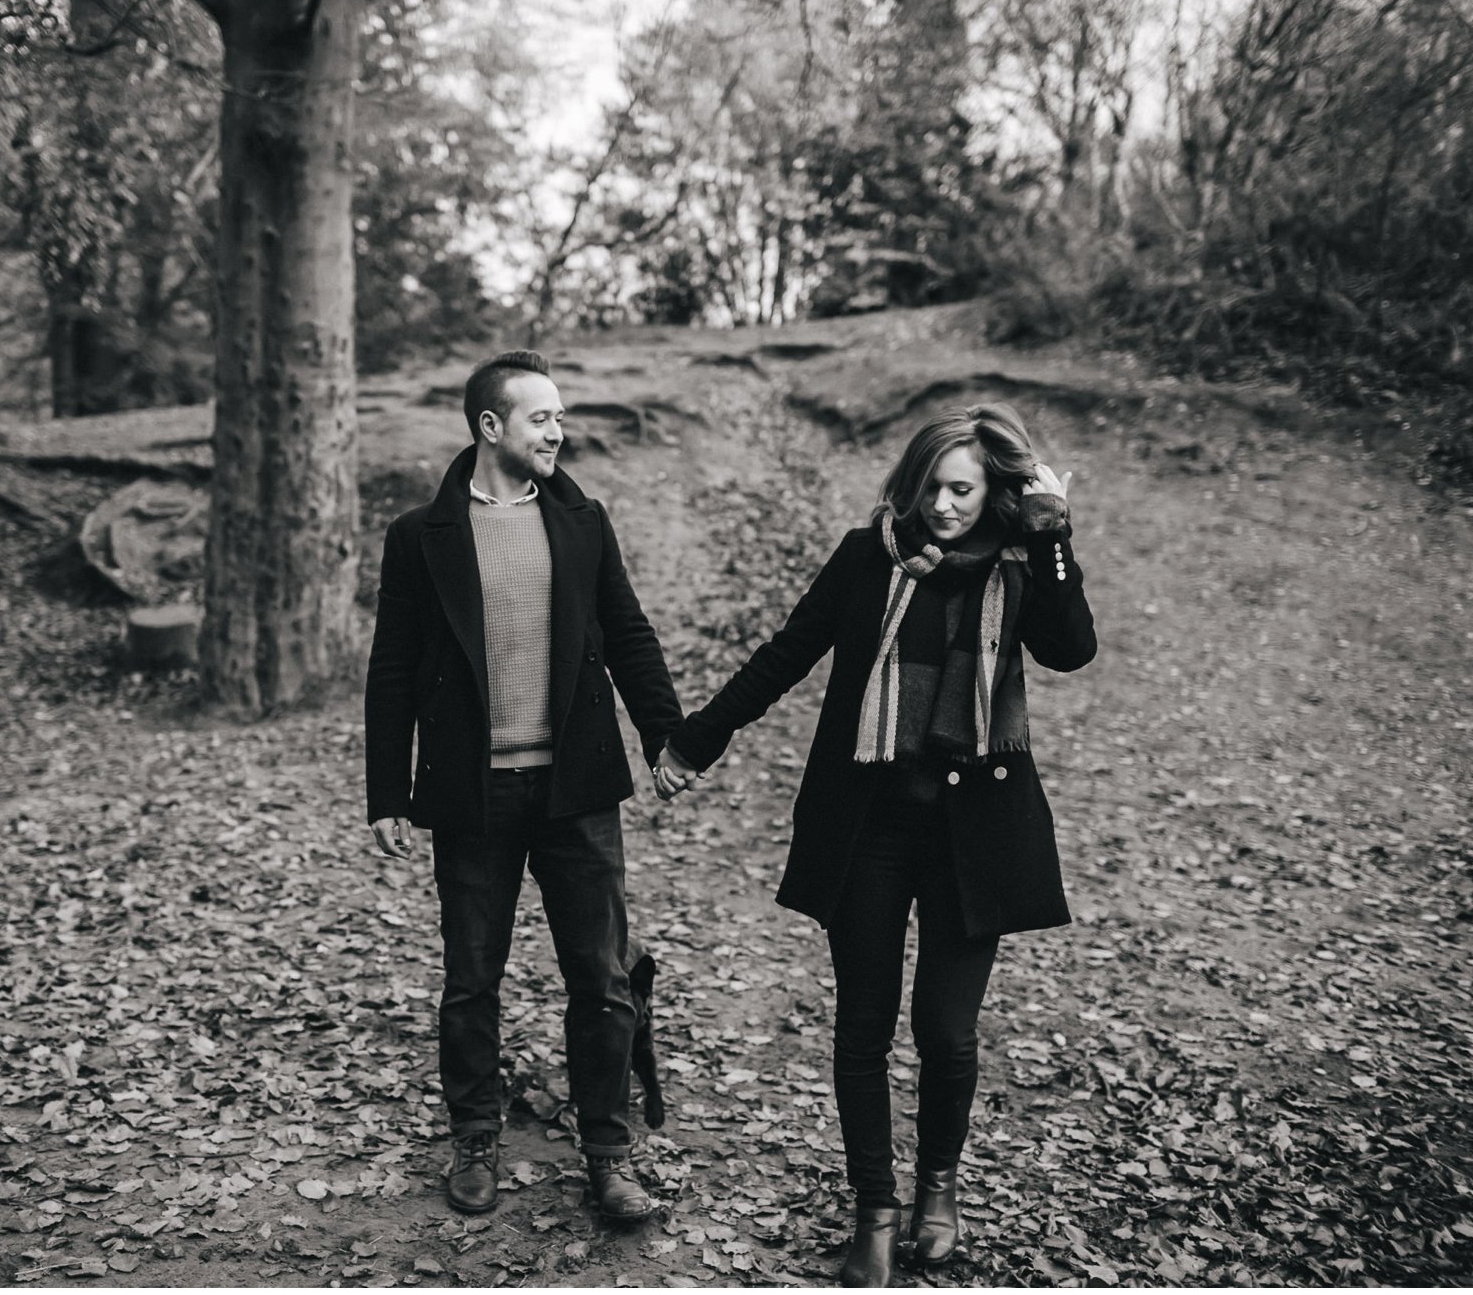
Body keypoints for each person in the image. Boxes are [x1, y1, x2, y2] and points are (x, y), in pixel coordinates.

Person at [655, 403, 1097, 1286]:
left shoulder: (1019, 564)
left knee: (946, 1031)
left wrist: (1054, 534)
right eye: (931, 486)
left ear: (993, 490)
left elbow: (1070, 649)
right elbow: (785, 654)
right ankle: (877, 1215)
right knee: (861, 1029)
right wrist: (698, 738)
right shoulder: (869, 558)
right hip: (869, 827)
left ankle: (938, 1190)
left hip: (975, 828)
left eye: (962, 489)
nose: (942, 505)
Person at [365, 350, 683, 1223]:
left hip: (575, 790)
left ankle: (609, 1156)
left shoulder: (581, 521)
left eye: (560, 416)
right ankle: (474, 1138)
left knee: (602, 979)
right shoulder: (420, 537)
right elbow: (391, 670)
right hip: (471, 795)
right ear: (490, 427)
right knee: (471, 980)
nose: (559, 431)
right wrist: (388, 790)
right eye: (542, 418)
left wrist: (668, 737)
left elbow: (629, 635)